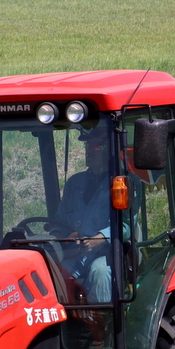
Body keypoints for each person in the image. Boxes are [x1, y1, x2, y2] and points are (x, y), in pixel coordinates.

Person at [53, 126, 114, 304]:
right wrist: (58, 238)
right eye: (88, 146)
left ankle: (103, 325)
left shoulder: (124, 182)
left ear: (109, 150)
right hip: (76, 253)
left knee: (100, 272)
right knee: (55, 273)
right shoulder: (75, 182)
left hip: (110, 254)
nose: (89, 152)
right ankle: (66, 326)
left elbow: (125, 225)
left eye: (96, 147)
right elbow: (61, 220)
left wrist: (98, 239)